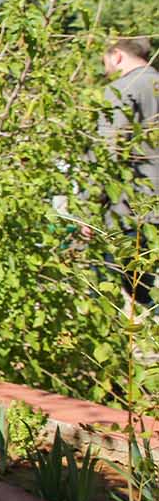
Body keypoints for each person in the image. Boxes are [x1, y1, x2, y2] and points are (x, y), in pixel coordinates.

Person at [101, 36, 158, 304]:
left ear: (117, 55)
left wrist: (91, 200)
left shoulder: (123, 90)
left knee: (129, 288)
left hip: (131, 205)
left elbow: (108, 150)